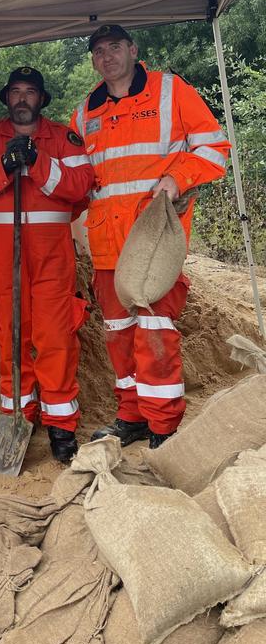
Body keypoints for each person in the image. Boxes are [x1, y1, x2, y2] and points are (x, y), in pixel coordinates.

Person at [72, 24, 231, 448]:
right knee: (118, 333)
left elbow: (214, 148)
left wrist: (177, 180)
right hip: (107, 243)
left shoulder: (171, 91)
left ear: (133, 49)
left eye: (114, 47)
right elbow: (81, 177)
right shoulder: (85, 110)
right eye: (98, 51)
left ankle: (164, 426)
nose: (107, 56)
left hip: (155, 239)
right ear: (93, 59)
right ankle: (132, 416)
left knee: (155, 331)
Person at [0, 67, 94, 463]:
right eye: (16, 92)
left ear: (41, 99)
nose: (23, 99)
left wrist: (38, 163)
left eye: (30, 92)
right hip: (3, 259)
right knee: (10, 338)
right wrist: (4, 166)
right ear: (7, 98)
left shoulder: (63, 137)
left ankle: (61, 426)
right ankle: (18, 414)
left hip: (52, 258)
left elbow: (81, 186)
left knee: (56, 338)